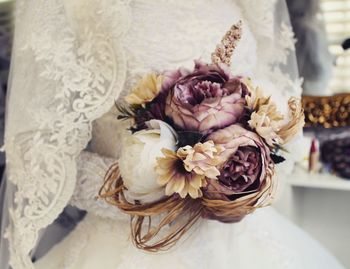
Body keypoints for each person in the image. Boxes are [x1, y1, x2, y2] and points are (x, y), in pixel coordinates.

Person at [0, 0, 345, 268]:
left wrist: (244, 177)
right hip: (128, 244)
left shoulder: (249, 6)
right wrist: (156, 187)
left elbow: (282, 114)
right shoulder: (78, 9)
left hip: (240, 241)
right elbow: (39, 159)